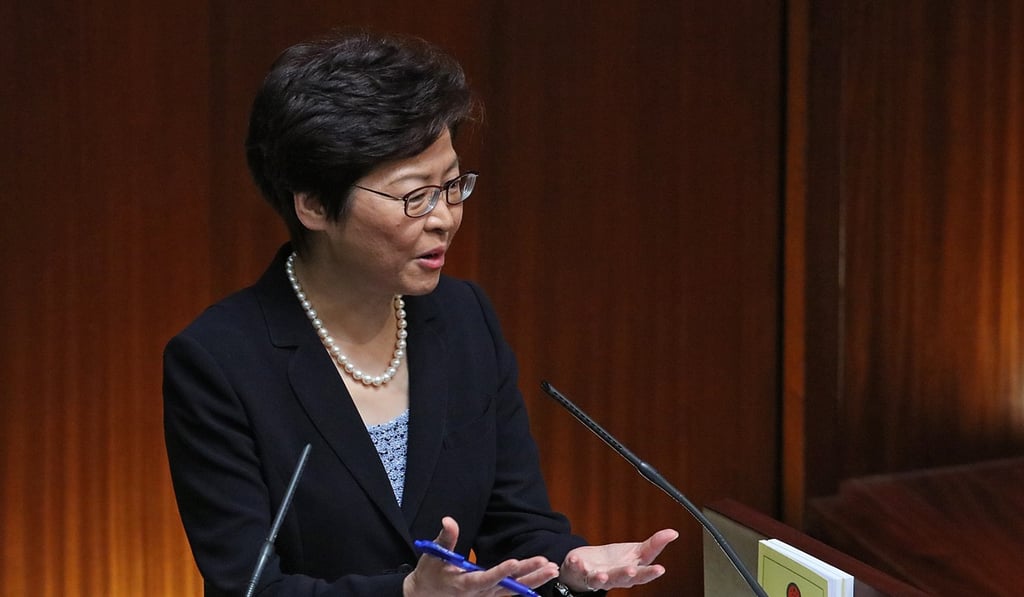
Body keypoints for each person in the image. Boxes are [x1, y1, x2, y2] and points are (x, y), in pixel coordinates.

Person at [163, 29, 678, 597]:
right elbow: (247, 587)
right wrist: (407, 594)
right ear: (312, 203)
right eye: (416, 195)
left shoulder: (463, 317)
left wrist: (570, 564)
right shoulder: (220, 361)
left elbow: (517, 523)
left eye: (453, 185)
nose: (445, 218)